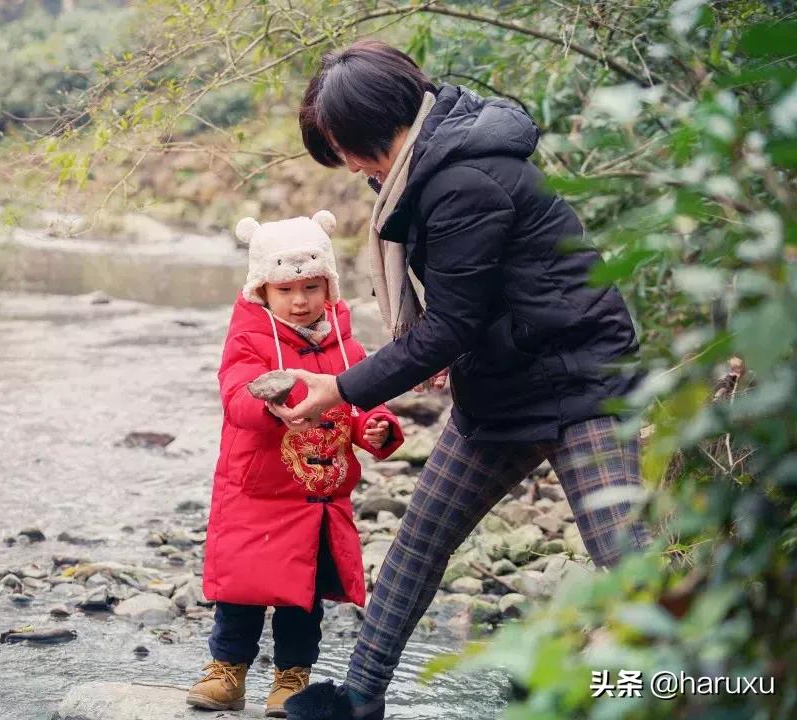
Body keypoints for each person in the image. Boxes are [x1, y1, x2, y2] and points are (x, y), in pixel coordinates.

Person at [278, 42, 654, 720]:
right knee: (422, 536)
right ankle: (361, 696)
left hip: (580, 378)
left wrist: (341, 386)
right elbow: (468, 310)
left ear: (373, 126)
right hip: (505, 378)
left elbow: (448, 326)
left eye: (348, 147)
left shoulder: (461, 180)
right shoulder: (424, 170)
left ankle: (698, 689)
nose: (353, 166)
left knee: (627, 561)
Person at [189, 209, 405, 717]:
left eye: (311, 287)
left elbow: (361, 403)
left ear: (328, 286)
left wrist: (376, 428)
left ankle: (292, 675)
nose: (301, 300)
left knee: (302, 596)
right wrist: (269, 404)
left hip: (317, 497)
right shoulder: (249, 339)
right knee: (242, 590)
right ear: (262, 290)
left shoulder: (347, 347)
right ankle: (227, 670)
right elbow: (236, 393)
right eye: (286, 289)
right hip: (256, 490)